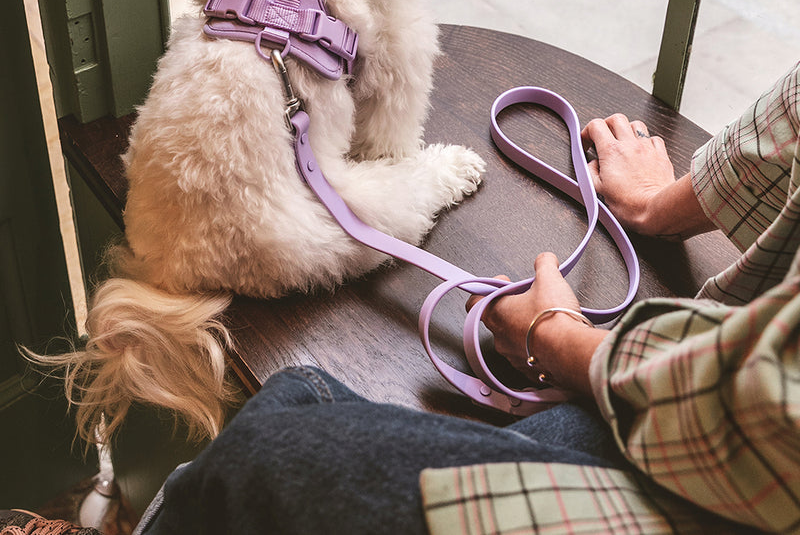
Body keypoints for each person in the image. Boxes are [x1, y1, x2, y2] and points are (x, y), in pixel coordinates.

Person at [132, 64, 800, 535]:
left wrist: (555, 337)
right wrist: (662, 203)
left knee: (264, 455)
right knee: (298, 406)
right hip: (720, 409)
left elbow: (760, 414)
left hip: (744, 457)